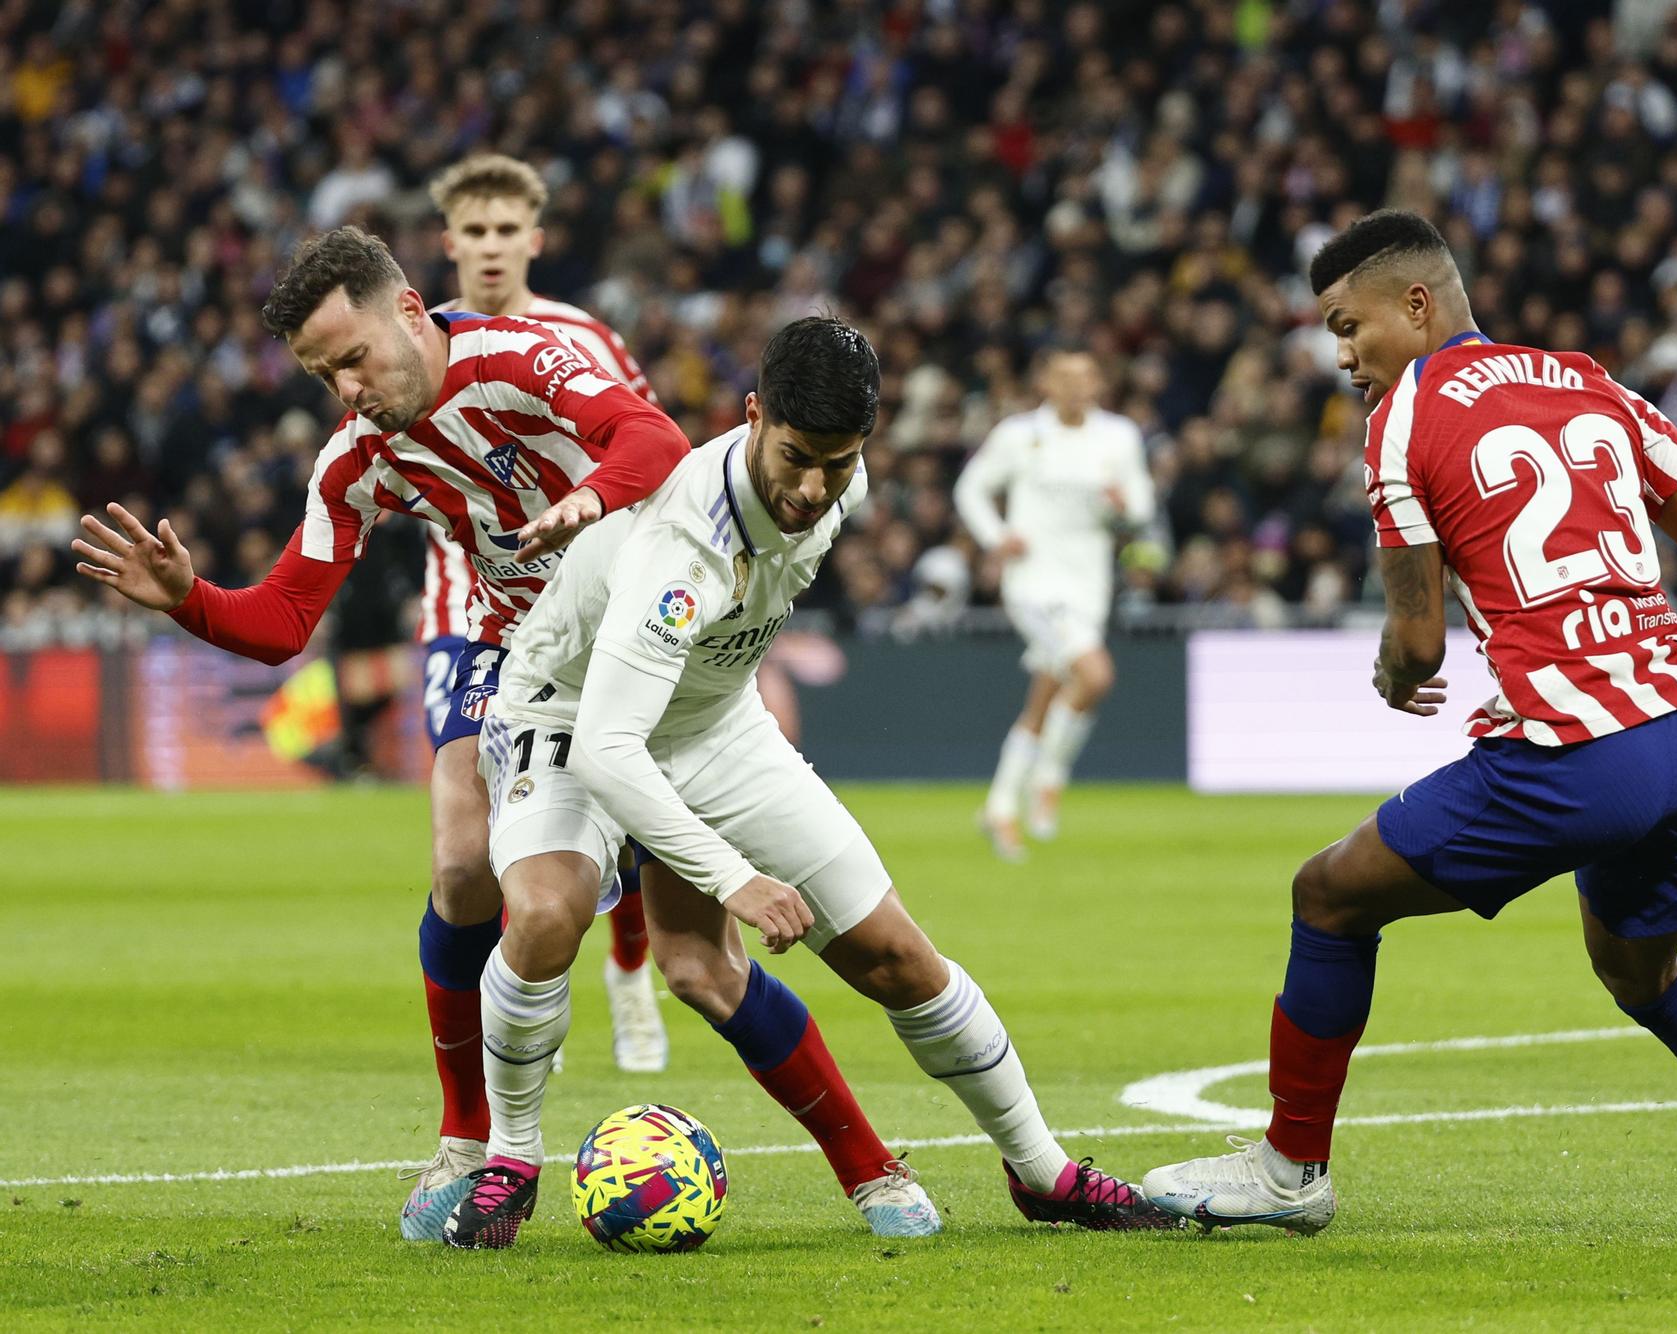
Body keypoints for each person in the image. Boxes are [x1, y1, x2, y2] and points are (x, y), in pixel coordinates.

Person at [1141, 211, 1677, 1234]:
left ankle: (1289, 1170)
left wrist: (1389, 670)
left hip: (1569, 751)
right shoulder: (1591, 380)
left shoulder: (1402, 418)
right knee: (1640, 972)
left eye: (1347, 326)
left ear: (1415, 305)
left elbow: (1416, 643)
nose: (1340, 356)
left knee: (1328, 896)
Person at [448, 316, 1178, 1247]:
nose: (812, 488)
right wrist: (734, 876)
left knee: (895, 958)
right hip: (571, 712)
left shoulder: (842, 474)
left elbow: (709, 667)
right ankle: (511, 1160)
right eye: (794, 457)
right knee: (550, 913)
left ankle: (1044, 1172)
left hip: (712, 721)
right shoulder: (683, 546)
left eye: (836, 463)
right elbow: (607, 748)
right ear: (753, 415)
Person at [71, 226, 692, 1241]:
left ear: (409, 310)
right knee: (459, 868)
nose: (346, 388)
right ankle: (467, 1131)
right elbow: (280, 621)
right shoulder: (357, 457)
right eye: (324, 375)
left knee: (714, 957)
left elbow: (654, 441)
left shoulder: (522, 355)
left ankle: (881, 1165)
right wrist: (189, 597)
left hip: (647, 635)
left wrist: (583, 501)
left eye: (352, 357)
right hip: (513, 649)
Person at [425, 152, 668, 1076]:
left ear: (534, 239)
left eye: (504, 232)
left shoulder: (584, 337)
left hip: (591, 607)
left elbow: (655, 458)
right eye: (473, 233)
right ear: (449, 245)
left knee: (628, 799)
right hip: (467, 610)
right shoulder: (422, 343)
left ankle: (633, 973)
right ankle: (523, 990)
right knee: (475, 840)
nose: (489, 249)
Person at [954, 349, 1155, 859]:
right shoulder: (1019, 435)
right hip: (1034, 584)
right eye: (1063, 377)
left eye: (1085, 377)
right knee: (1094, 677)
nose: (1074, 387)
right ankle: (1049, 775)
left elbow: (1142, 505)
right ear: (1045, 380)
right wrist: (997, 536)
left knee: (1044, 699)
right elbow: (971, 489)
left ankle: (999, 808)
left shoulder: (1119, 436)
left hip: (1089, 585)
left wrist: (1123, 505)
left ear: (1098, 383)